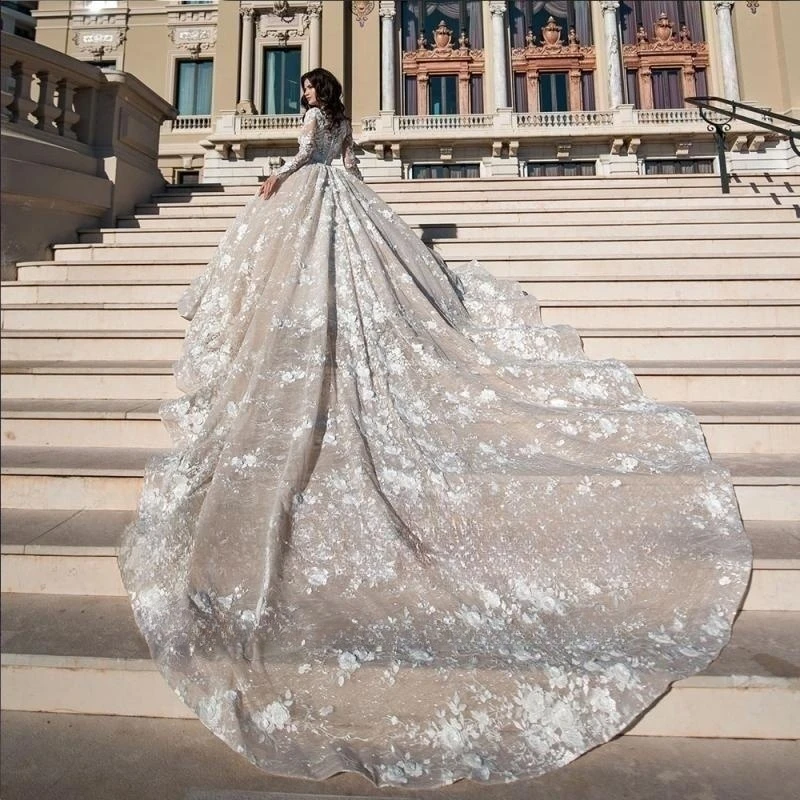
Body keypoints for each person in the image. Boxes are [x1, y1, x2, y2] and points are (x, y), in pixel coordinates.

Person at [119, 68, 751, 789]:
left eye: (306, 89)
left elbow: (305, 158)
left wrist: (274, 181)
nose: (301, 97)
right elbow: (345, 162)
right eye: (302, 91)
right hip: (344, 200)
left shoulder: (312, 127)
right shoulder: (342, 123)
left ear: (318, 94)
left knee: (286, 260)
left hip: (317, 199)